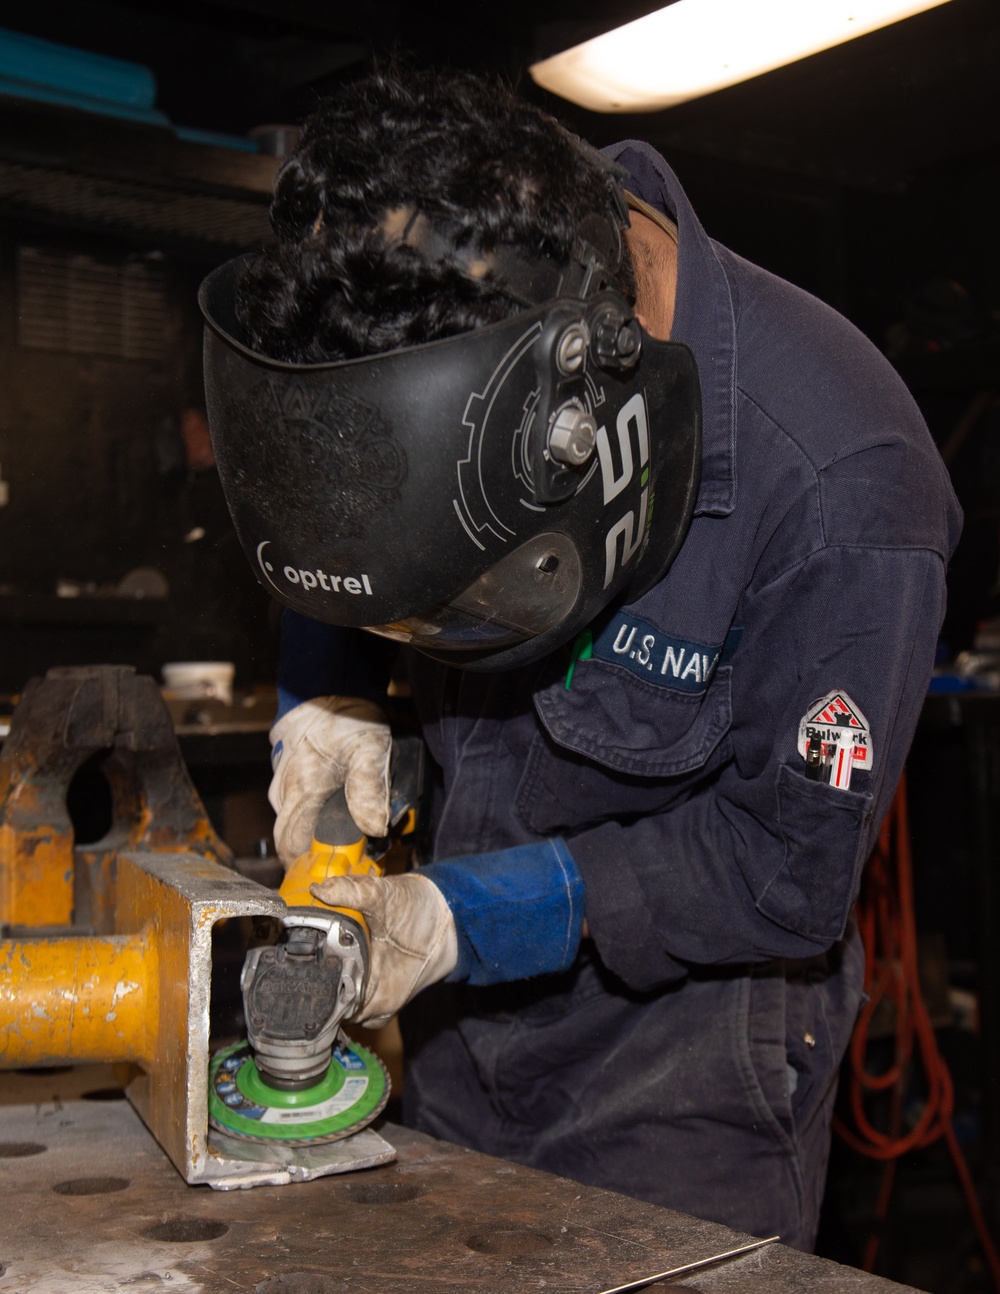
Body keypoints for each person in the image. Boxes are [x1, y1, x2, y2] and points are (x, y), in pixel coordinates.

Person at [199, 67, 961, 1250]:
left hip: (685, 1079)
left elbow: (782, 865)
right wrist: (326, 683)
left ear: (583, 392)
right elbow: (342, 490)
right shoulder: (474, 260)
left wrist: (466, 915)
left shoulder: (837, 481)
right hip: (455, 1037)